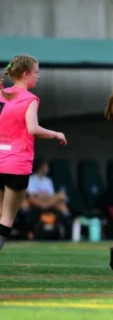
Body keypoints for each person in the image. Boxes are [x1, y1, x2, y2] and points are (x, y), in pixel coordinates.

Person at [0, 55, 67, 251]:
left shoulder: (1, 94)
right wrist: (56, 133)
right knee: (7, 216)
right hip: (16, 164)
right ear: (25, 74)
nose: (38, 77)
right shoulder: (30, 98)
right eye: (36, 73)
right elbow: (33, 129)